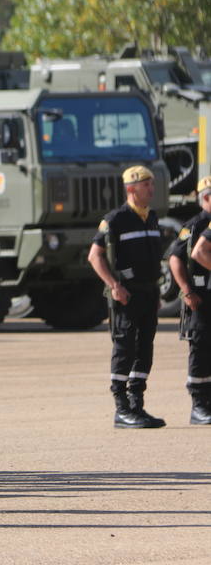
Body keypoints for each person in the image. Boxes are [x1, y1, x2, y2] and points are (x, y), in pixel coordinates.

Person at [88, 165, 165, 429]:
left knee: (145, 348)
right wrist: (114, 286)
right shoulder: (116, 219)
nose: (151, 189)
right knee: (125, 348)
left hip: (148, 292)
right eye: (146, 185)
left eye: (152, 184)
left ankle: (137, 406)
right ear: (131, 189)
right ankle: (121, 408)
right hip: (126, 296)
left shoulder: (152, 217)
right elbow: (94, 256)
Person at [173, 176, 211, 424]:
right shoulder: (195, 225)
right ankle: (198, 405)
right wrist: (187, 291)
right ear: (206, 197)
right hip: (200, 296)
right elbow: (176, 258)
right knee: (200, 348)